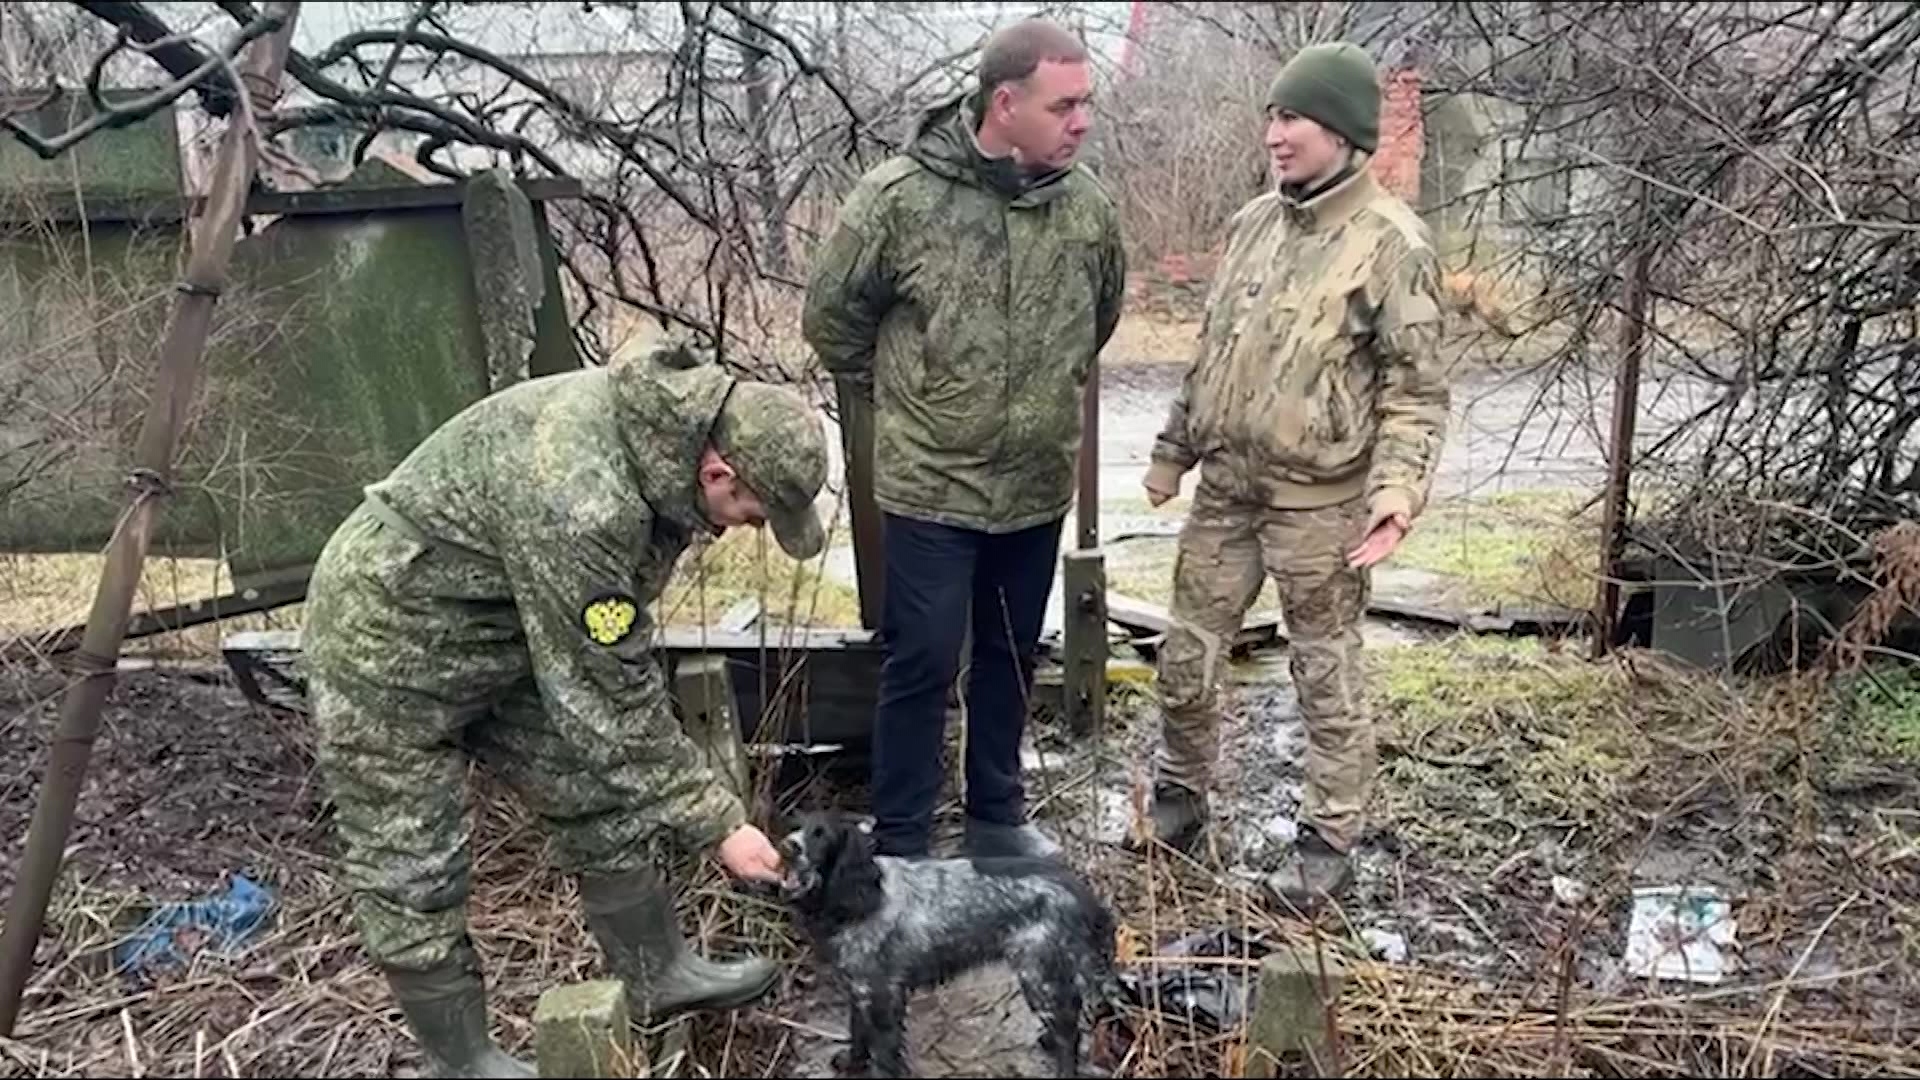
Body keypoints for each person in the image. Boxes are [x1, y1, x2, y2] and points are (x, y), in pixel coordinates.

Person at [301, 336, 827, 1078]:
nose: (743, 529)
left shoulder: (660, 447)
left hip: (505, 626)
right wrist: (719, 825)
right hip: (388, 637)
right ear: (717, 469)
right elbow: (606, 700)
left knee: (596, 795)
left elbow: (601, 673)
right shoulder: (584, 496)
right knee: (412, 857)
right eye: (749, 513)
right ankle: (464, 1059)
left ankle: (656, 974)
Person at [1134, 42, 1452, 912]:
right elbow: (1213, 358)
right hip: (1228, 492)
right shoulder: (1251, 225)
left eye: (1295, 118)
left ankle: (1327, 841)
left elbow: (1417, 393)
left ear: (1344, 133)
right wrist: (1173, 452)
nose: (1275, 135)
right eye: (1271, 116)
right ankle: (1178, 800)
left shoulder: (1394, 243)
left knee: (1324, 673)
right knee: (1185, 657)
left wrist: (1396, 493)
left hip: (1323, 508)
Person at [802, 17, 1127, 862]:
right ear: (1005, 103)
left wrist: (1039, 396)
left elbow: (1100, 316)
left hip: (1033, 483)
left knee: (1011, 652)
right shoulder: (900, 200)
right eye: (1066, 106)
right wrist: (910, 401)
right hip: (932, 487)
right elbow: (832, 321)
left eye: (1086, 103)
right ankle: (905, 839)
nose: (1082, 122)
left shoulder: (1086, 207)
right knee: (922, 661)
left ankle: (996, 815)